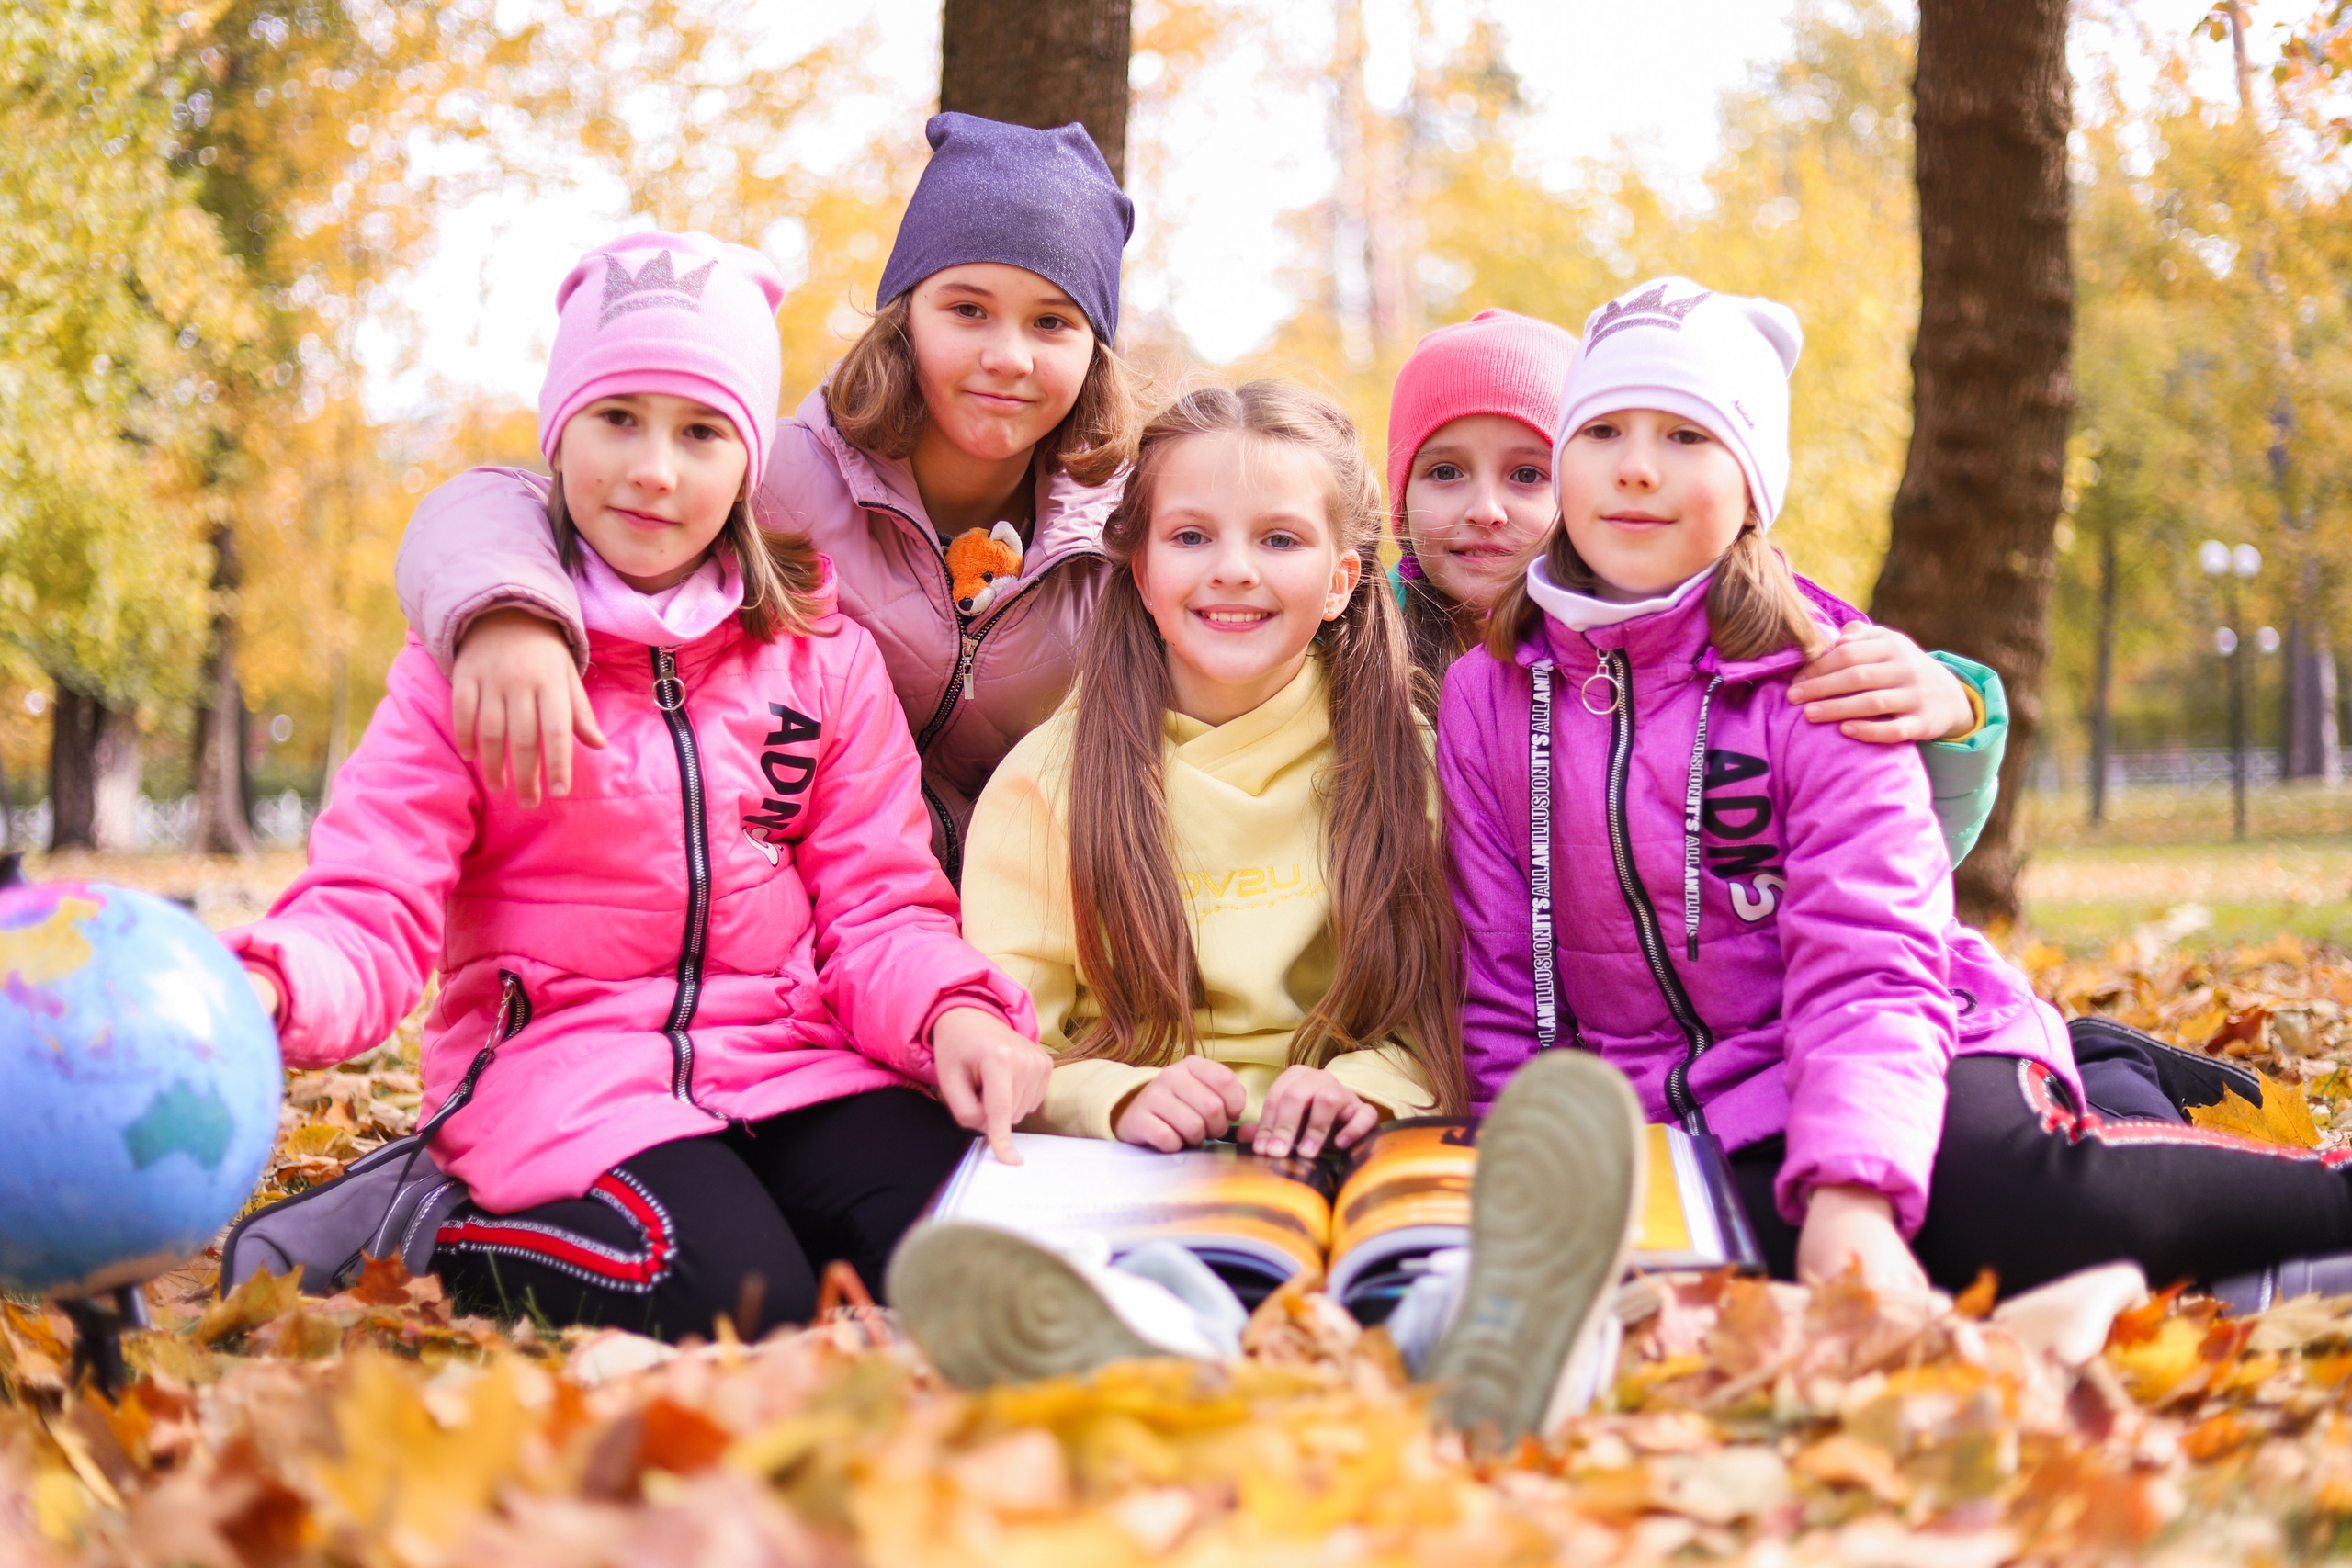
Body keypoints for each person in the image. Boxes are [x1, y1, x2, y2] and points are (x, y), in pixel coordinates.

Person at [1441, 275, 2352, 1313]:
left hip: (1899, 1042)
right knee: (1723, 1254)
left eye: (1688, 438)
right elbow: (1502, 983)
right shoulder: (1488, 694)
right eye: (1601, 430)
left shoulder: (1823, 676)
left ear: (1751, 486)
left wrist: (1852, 1189)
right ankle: (2132, 1150)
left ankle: (2308, 1203)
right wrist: (1526, 1163)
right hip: (1681, 1112)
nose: (1638, 469)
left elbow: (1867, 962)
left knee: (1994, 1194)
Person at [226, 231, 1052, 1340]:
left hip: (787, 1059)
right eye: (619, 418)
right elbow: (371, 895)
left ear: (747, 460)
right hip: (562, 1073)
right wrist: (274, 988)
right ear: (562, 429)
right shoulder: (474, 659)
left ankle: (777, 1218)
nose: (655, 469)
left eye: (702, 431)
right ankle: (435, 1225)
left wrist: (950, 1010)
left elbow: (877, 902)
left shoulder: (818, 653)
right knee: (729, 1299)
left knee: (973, 1237)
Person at [389, 114, 1145, 879]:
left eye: (1052, 322)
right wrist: (508, 613)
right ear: (905, 315)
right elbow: (508, 505)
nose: (1006, 356)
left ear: (1095, 348)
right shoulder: (781, 475)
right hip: (801, 912)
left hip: (1009, 910)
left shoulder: (1117, 530)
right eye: (967, 309)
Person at [959, 380, 1463, 1159]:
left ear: (1340, 582)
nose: (1232, 569)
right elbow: (1003, 1028)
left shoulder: (1409, 763)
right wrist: (1115, 1096)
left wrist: (1365, 1086)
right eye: (1191, 536)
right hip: (1121, 1162)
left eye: (1280, 540)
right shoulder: (1051, 778)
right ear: (1141, 573)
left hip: (1348, 1157)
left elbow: (1445, 1019)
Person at [1385, 306, 2011, 863]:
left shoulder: (1747, 623)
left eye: (1527, 473)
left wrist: (1955, 717)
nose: (1486, 508)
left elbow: (1891, 839)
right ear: (1401, 497)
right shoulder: (1360, 647)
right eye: (1445, 471)